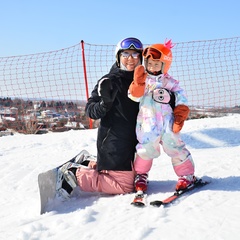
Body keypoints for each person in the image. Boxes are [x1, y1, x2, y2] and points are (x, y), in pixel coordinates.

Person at [56, 37, 143, 198]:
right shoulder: (109, 80)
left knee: (139, 180)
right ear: (118, 56)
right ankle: (74, 173)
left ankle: (88, 163)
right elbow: (90, 111)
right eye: (126, 54)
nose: (130, 59)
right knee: (125, 186)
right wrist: (104, 104)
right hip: (114, 142)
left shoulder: (143, 81)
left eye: (135, 54)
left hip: (133, 142)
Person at [128, 39, 196, 193]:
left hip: (167, 122)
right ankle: (141, 175)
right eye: (149, 63)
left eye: (156, 64)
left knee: (175, 146)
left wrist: (180, 115)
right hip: (147, 122)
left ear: (165, 65)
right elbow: (133, 97)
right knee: (145, 148)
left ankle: (186, 175)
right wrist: (137, 84)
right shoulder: (143, 80)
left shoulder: (169, 82)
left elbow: (181, 97)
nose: (152, 67)